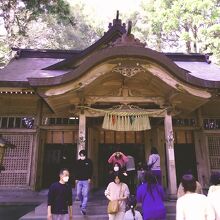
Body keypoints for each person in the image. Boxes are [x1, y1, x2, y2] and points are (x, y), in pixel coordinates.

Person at [75, 149, 93, 215]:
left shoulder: (89, 161)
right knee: (78, 193)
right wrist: (76, 178)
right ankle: (83, 203)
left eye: (83, 155)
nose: (82, 156)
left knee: (85, 194)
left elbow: (91, 170)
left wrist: (89, 178)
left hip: (86, 180)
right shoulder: (78, 162)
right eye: (81, 155)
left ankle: (83, 208)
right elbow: (76, 170)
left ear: (85, 155)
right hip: (79, 180)